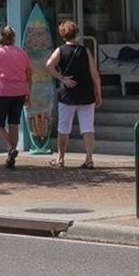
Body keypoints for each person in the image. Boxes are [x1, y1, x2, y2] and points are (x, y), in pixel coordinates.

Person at [45, 20, 103, 169]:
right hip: (86, 93)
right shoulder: (85, 51)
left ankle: (60, 158)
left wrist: (62, 78)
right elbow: (95, 75)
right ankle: (89, 159)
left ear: (62, 35)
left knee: (63, 127)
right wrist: (98, 92)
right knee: (87, 127)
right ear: (76, 34)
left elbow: (49, 66)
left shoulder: (60, 51)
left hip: (67, 94)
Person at [0, 25, 32, 169]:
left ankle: (10, 149)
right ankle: (11, 157)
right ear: (13, 39)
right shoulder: (22, 53)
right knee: (14, 124)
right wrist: (28, 94)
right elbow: (29, 76)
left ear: (0, 39)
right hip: (20, 92)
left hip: (2, 91)